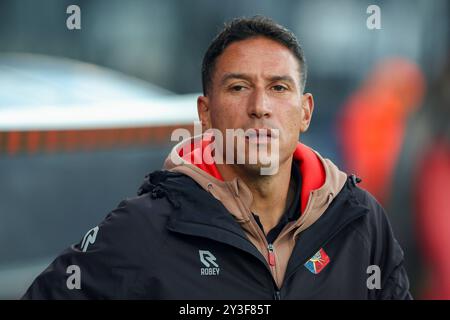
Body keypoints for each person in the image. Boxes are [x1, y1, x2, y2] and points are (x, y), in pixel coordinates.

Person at [23, 16, 411, 299]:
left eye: (278, 87)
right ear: (205, 113)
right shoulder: (146, 228)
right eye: (239, 87)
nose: (260, 107)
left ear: (305, 111)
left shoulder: (359, 220)